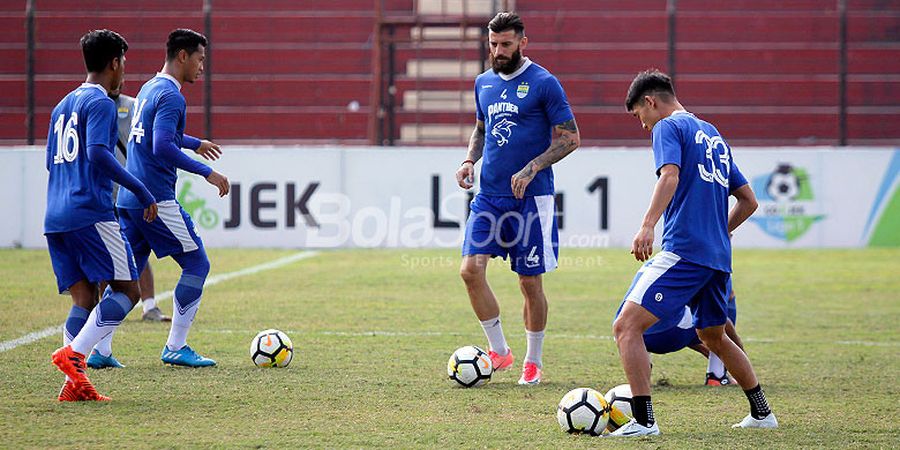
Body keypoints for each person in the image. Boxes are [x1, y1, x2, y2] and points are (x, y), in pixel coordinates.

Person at [608, 69, 777, 436]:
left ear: (651, 102)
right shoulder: (713, 134)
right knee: (715, 336)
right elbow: (749, 201)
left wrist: (648, 224)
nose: (643, 126)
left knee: (625, 327)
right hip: (717, 257)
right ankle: (762, 413)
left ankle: (644, 421)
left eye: (640, 115)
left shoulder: (668, 127)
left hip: (685, 251)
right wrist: (720, 231)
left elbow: (669, 175)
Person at [455, 12, 580, 385]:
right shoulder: (483, 83)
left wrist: (532, 167)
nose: (498, 50)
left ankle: (533, 360)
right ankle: (499, 352)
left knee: (529, 284)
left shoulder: (545, 83)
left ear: (523, 43)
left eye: (506, 44)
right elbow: (480, 130)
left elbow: (570, 138)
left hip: (532, 199)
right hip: (490, 198)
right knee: (469, 270)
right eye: (493, 44)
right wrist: (468, 160)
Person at [47, 29, 158, 401]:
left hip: (56, 216)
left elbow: (52, 163)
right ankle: (75, 355)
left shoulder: (61, 105)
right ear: (114, 63)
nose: (124, 70)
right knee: (129, 289)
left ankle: (73, 385)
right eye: (123, 62)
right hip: (91, 211)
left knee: (84, 299)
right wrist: (140, 190)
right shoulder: (102, 104)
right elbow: (97, 152)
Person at [116, 28, 228, 368]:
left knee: (127, 276)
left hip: (130, 196)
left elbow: (162, 134)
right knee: (197, 264)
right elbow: (161, 145)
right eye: (200, 59)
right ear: (183, 56)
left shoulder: (149, 87)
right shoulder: (173, 96)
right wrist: (207, 172)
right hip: (155, 198)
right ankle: (176, 346)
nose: (202, 67)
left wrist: (196, 143)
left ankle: (98, 349)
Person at [86, 83, 171, 370]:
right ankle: (91, 333)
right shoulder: (90, 103)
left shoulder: (133, 105)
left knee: (134, 253)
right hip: (100, 193)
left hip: (130, 191)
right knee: (110, 261)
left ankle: (149, 306)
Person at [613, 280, 743, 386]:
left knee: (655, 311)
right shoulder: (702, 264)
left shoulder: (657, 264)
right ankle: (717, 375)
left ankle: (642, 372)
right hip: (668, 334)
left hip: (626, 335)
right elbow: (722, 323)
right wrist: (740, 359)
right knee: (723, 306)